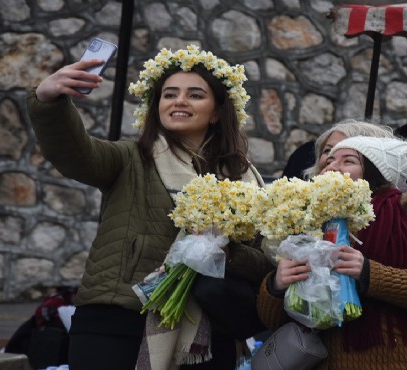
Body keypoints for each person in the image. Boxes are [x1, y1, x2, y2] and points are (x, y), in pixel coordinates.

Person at [26, 44, 273, 370]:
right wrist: (49, 101)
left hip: (206, 331)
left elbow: (263, 261)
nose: (179, 101)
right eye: (169, 95)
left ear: (216, 111)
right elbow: (75, 154)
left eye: (195, 95)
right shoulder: (129, 158)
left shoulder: (245, 180)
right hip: (117, 319)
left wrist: (226, 253)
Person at [257, 132, 407, 369]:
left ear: (378, 173)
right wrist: (276, 285)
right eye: (329, 160)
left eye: (348, 161)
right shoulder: (308, 225)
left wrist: (369, 273)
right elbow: (270, 320)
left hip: (393, 360)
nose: (332, 167)